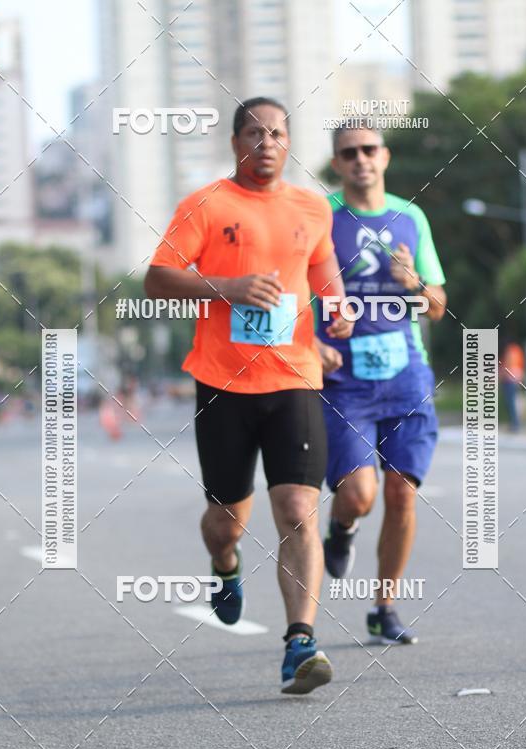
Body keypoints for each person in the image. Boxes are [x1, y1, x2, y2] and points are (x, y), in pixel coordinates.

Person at [144, 97, 352, 693]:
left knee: (297, 511)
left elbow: (324, 270)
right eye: (255, 133)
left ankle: (300, 643)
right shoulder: (206, 205)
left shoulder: (312, 207)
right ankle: (225, 565)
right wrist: (228, 286)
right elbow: (157, 279)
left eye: (278, 134)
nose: (267, 143)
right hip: (223, 384)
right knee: (227, 521)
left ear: (290, 143)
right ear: (236, 142)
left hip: (295, 379)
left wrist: (337, 310)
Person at [317, 125, 447, 645]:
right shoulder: (320, 217)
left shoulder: (410, 217)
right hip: (344, 381)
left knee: (402, 493)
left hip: (405, 375)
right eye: (349, 153)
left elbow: (436, 306)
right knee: (359, 494)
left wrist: (412, 282)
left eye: (369, 150)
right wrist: (313, 343)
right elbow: (296, 294)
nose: (361, 160)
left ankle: (384, 608)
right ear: (337, 162)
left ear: (385, 157)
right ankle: (342, 527)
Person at [499, 336, 525, 432]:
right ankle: (516, 423)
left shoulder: (509, 351)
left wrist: (499, 375)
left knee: (511, 402)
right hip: (518, 377)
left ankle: (515, 424)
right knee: (515, 401)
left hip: (509, 379)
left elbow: (507, 365)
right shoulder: (517, 350)